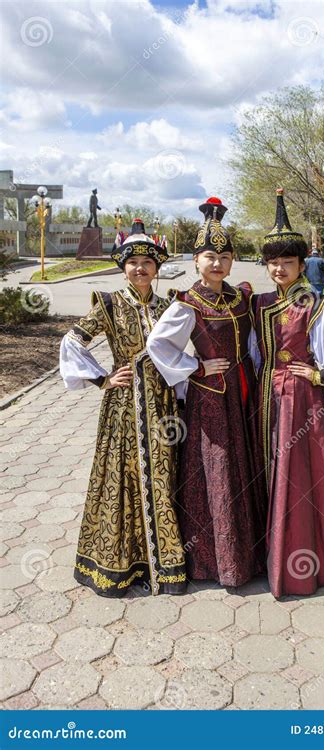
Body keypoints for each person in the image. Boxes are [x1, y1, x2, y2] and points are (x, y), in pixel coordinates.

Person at [59, 222, 186, 597]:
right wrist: (102, 379)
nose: (141, 269)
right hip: (124, 405)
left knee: (162, 474)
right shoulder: (110, 304)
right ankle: (122, 563)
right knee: (122, 476)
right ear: (123, 267)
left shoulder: (169, 306)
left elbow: (181, 351)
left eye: (148, 262)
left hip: (162, 405)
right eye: (133, 263)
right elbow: (73, 341)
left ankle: (165, 563)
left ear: (157, 268)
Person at [147, 197, 266, 588]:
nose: (217, 263)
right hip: (211, 398)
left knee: (244, 465)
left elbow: (254, 343)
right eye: (209, 256)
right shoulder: (188, 303)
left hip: (244, 392)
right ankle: (216, 561)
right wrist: (195, 368)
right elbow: (159, 345)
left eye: (225, 256)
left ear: (233, 261)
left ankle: (250, 554)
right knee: (216, 468)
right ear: (196, 261)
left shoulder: (242, 296)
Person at [252, 188, 324, 598]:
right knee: (269, 472)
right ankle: (269, 553)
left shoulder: (315, 303)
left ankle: (301, 564)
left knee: (298, 475)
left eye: (288, 262)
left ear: (302, 265)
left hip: (300, 399)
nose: (280, 268)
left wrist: (320, 376)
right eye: (274, 262)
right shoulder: (261, 302)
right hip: (266, 397)